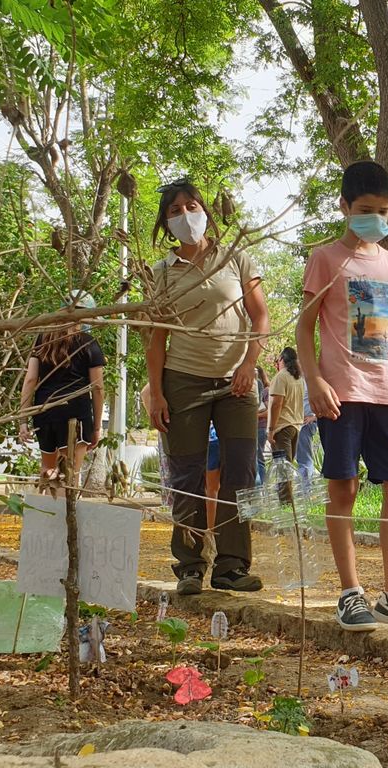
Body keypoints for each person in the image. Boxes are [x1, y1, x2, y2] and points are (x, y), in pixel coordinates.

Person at [297, 160, 388, 632]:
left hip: (386, 395)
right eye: (364, 209)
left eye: (382, 210)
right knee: (344, 488)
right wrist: (315, 380)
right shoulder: (326, 258)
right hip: (341, 393)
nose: (374, 218)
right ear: (344, 207)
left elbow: (385, 329)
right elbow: (304, 327)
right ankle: (350, 592)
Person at [145, 178, 268, 596]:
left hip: (237, 382)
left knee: (241, 473)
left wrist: (250, 365)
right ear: (165, 222)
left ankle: (232, 566)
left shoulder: (236, 260)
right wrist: (156, 392)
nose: (185, 216)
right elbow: (156, 337)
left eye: (191, 206)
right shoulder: (160, 273)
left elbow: (261, 317)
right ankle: (191, 566)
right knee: (186, 474)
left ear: (206, 211)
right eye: (175, 211)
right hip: (182, 382)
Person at [18, 290, 106, 496]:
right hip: (75, 412)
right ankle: (67, 524)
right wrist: (97, 426)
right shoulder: (88, 343)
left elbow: (30, 379)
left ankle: (44, 522)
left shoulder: (43, 340)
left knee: (48, 471)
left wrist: (23, 419)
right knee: (70, 475)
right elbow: (98, 388)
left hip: (44, 410)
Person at [269, 347, 305, 462]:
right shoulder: (299, 379)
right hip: (296, 426)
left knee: (283, 470)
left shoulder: (281, 377)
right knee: (287, 468)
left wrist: (271, 430)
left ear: (281, 359)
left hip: (282, 427)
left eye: (277, 361)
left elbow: (276, 404)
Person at [254, 366, 273, 484]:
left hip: (260, 428)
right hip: (256, 428)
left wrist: (255, 415)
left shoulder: (265, 390)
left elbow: (269, 411)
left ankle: (262, 486)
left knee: (259, 459)